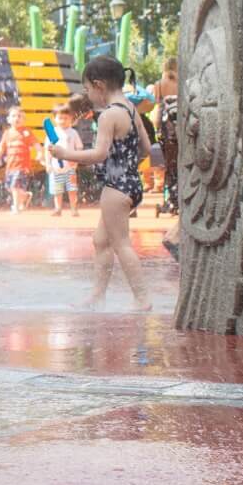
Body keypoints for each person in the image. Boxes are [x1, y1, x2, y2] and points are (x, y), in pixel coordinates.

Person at [50, 56, 154, 312]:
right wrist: (127, 162)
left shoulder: (109, 115)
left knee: (121, 243)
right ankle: (97, 296)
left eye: (87, 89)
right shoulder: (130, 107)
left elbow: (99, 154)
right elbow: (147, 147)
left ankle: (142, 299)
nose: (88, 95)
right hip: (131, 183)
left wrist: (65, 155)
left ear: (99, 86)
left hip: (116, 188)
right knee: (101, 240)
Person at [0, 105, 41, 213]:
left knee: (15, 186)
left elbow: (36, 143)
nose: (17, 118)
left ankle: (16, 207)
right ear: (8, 119)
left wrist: (39, 152)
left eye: (20, 116)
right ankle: (25, 196)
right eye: (14, 116)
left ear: (24, 120)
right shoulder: (7, 133)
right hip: (10, 166)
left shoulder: (26, 132)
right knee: (10, 187)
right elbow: (0, 149)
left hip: (22, 166)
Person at [156, 58, 182, 254]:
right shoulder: (182, 81)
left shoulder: (160, 84)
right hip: (179, 122)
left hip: (166, 126)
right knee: (182, 166)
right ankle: (177, 201)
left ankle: (172, 199)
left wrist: (158, 131)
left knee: (170, 167)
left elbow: (156, 107)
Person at [42, 102, 81, 216]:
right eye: (60, 118)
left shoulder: (73, 133)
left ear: (71, 119)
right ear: (55, 119)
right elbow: (47, 149)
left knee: (72, 189)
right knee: (57, 190)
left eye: (66, 118)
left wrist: (76, 159)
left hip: (71, 167)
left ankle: (74, 208)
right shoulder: (52, 133)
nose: (63, 120)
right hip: (56, 167)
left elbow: (79, 148)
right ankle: (58, 208)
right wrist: (48, 164)